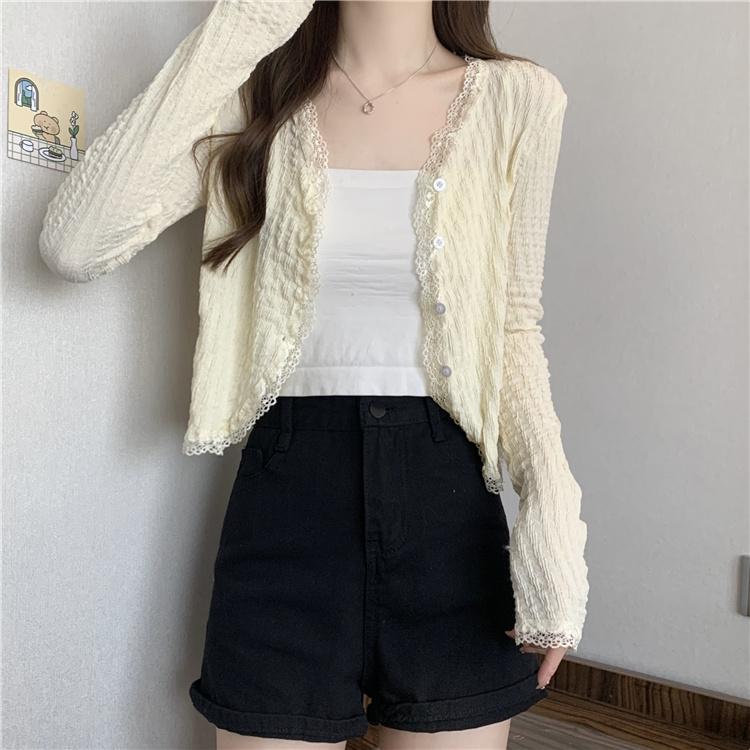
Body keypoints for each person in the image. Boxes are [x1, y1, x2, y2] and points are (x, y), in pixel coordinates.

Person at [38, 1, 590, 748]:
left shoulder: (520, 98)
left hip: (450, 514)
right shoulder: (255, 94)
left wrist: (551, 524)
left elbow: (514, 327)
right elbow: (75, 245)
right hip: (287, 501)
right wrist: (252, 17)